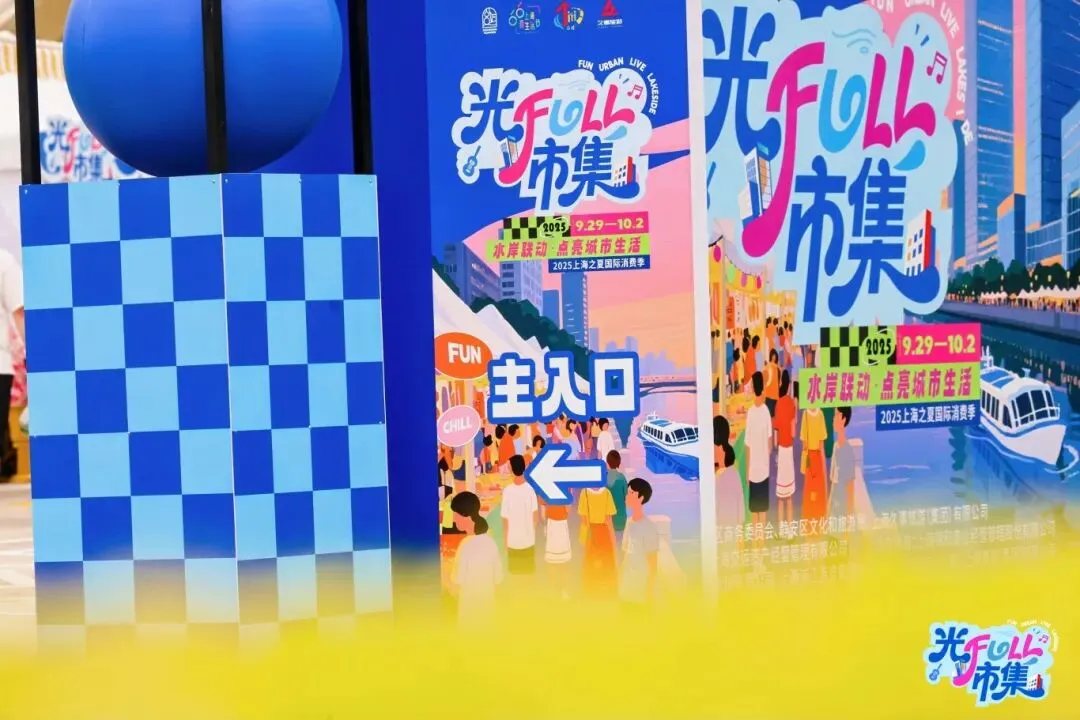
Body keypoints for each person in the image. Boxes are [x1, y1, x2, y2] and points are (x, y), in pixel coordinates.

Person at [448, 491, 503, 626]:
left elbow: (456, 583)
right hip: (488, 612)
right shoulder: (491, 542)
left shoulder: (465, 545)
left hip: (469, 613)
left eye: (455, 514)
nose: (454, 519)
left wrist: (446, 572)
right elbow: (498, 579)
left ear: (466, 516)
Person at [619, 478, 659, 611]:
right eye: (627, 493)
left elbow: (653, 565)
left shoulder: (649, 527)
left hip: (641, 590)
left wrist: (649, 593)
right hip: (626, 588)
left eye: (631, 493)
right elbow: (625, 554)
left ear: (641, 498)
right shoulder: (629, 522)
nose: (627, 496)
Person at [578, 479, 618, 598]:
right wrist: (613, 539)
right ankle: (606, 590)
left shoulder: (584, 492)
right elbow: (608, 520)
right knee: (606, 562)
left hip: (590, 533)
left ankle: (591, 591)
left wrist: (583, 539)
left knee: (590, 563)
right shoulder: (607, 493)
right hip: (604, 532)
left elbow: (584, 521)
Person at [744, 371, 772, 538]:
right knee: (763, 512)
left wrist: (748, 471)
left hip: (753, 471)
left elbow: (747, 445)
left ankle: (756, 546)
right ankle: (761, 546)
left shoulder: (750, 413)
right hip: (764, 470)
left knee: (754, 513)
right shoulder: (766, 412)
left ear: (754, 388)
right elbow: (770, 445)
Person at [501, 455, 539, 576]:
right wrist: (529, 531)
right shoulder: (530, 490)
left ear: (512, 469)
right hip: (528, 541)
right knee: (528, 576)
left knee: (515, 576)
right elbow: (535, 517)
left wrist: (505, 542)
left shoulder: (507, 491)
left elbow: (505, 521)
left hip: (512, 542)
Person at [713, 415, 745, 543]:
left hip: (721, 527)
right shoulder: (734, 474)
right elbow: (740, 502)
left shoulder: (717, 478)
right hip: (732, 528)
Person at [773, 372, 797, 530]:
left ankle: (782, 530)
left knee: (780, 495)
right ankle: (790, 532)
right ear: (789, 386)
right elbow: (794, 432)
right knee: (789, 496)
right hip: (789, 450)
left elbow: (776, 434)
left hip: (781, 449)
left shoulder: (778, 404)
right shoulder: (791, 404)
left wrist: (776, 449)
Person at [800, 399, 829, 525]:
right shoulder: (820, 414)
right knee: (819, 490)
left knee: (809, 491)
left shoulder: (805, 415)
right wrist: (823, 466)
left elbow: (804, 445)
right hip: (818, 457)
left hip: (809, 458)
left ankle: (809, 521)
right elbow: (821, 445)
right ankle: (819, 520)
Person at [539, 493, 572, 599]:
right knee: (560, 561)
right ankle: (561, 590)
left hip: (554, 525)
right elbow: (568, 509)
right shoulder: (565, 488)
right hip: (558, 525)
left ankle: (557, 589)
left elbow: (543, 513)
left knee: (555, 560)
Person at [831, 406, 856, 523]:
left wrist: (848, 521)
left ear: (843, 419)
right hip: (834, 509)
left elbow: (850, 489)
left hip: (843, 510)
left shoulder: (848, 451)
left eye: (836, 415)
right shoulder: (835, 447)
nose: (833, 418)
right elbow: (833, 483)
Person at [605, 450, 629, 541]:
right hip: (620, 520)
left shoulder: (603, 478)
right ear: (619, 462)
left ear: (607, 463)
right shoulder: (621, 478)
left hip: (606, 521)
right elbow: (627, 497)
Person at [764, 349, 780, 416]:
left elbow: (779, 381)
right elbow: (765, 381)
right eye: (773, 356)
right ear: (770, 356)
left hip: (776, 394)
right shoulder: (768, 366)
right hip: (769, 394)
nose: (774, 357)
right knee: (769, 414)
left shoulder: (777, 367)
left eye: (775, 356)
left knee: (773, 415)